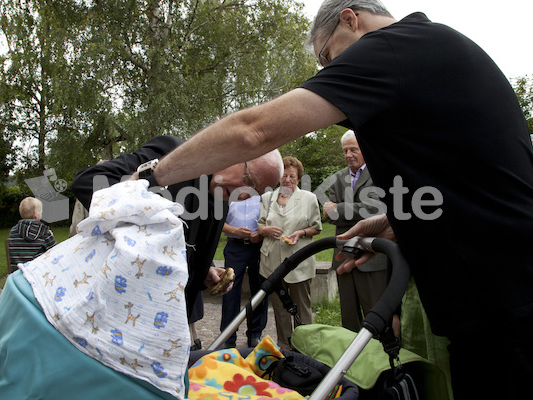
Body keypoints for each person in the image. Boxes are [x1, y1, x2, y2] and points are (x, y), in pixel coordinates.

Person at [130, 1, 533, 397]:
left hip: (502, 291)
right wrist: (394, 222)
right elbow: (462, 169)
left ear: (350, 20)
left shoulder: (388, 49)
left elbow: (254, 131)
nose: (329, 72)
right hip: (500, 281)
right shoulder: (428, 51)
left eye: (327, 57)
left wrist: (153, 174)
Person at [71, 135, 283, 318]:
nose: (244, 195)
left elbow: (185, 255)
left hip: (166, 326)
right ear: (232, 153)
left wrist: (203, 274)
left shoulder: (223, 200)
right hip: (116, 309)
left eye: (255, 192)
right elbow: (87, 183)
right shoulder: (174, 154)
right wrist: (150, 188)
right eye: (248, 180)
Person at [322, 130, 387, 333]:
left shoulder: (380, 172)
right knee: (348, 317)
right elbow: (330, 216)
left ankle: (381, 359)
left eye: (353, 149)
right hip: (343, 254)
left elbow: (375, 208)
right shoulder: (337, 179)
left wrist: (338, 208)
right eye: (345, 151)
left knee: (375, 314)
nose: (348, 154)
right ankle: (351, 361)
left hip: (372, 256)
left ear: (364, 149)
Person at [257, 156, 321, 349]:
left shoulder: (309, 199)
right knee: (280, 307)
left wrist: (301, 232)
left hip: (299, 260)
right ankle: (284, 346)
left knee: (303, 307)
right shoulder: (267, 198)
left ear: (298, 178)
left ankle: (305, 346)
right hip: (272, 261)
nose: (287, 180)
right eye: (284, 175)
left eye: (292, 176)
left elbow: (316, 228)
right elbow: (260, 226)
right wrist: (266, 230)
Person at [219, 196, 268, 348]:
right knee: (230, 291)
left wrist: (259, 234)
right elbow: (218, 223)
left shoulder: (264, 196)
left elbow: (271, 221)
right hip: (235, 247)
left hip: (258, 247)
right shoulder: (229, 193)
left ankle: (255, 334)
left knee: (260, 290)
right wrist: (234, 230)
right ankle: (228, 337)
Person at [8, 197, 57, 273]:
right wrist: (51, 236)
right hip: (38, 272)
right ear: (36, 215)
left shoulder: (13, 231)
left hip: (18, 271)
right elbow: (54, 250)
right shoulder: (44, 231)